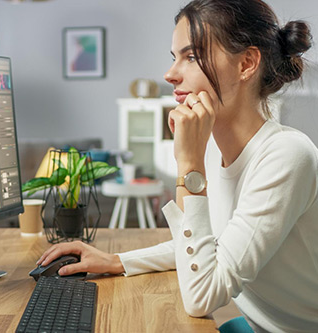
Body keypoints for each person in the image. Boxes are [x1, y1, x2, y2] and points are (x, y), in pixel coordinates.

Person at [37, 0, 318, 331]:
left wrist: (189, 165)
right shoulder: (213, 149)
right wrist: (116, 261)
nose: (170, 74)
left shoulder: (287, 155)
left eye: (192, 57)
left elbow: (202, 296)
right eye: (175, 57)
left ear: (246, 63)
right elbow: (207, 244)